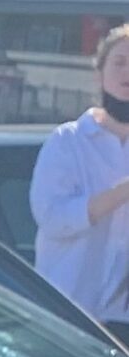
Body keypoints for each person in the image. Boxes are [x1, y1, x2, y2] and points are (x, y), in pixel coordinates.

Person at [29, 22, 129, 335]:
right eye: (120, 62)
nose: (128, 72)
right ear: (99, 74)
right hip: (67, 320)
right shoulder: (69, 141)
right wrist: (122, 192)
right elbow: (52, 217)